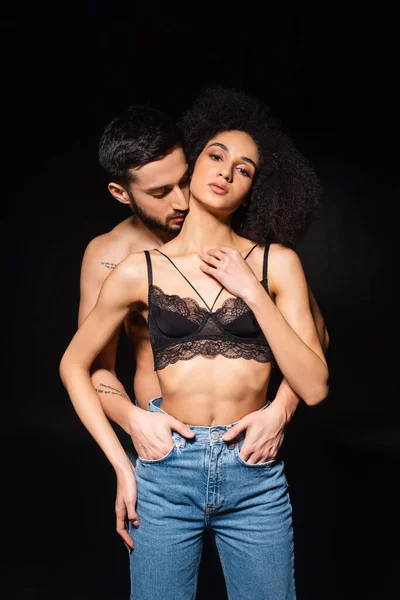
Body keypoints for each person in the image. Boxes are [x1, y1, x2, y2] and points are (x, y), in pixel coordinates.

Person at [60, 85, 329, 599]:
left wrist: (280, 411)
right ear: (124, 194)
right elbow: (90, 366)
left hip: (252, 459)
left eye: (183, 180)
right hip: (162, 458)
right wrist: (129, 447)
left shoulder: (265, 254)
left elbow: (315, 350)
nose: (182, 199)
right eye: (162, 193)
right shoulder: (117, 260)